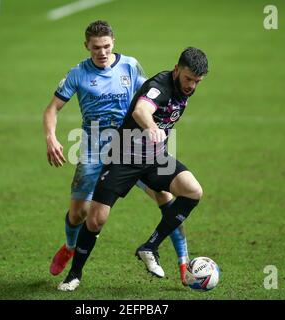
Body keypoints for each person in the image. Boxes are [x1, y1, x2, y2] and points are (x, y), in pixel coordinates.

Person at [43, 21, 190, 286]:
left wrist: (158, 129)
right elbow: (51, 109)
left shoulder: (130, 66)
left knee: (167, 199)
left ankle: (184, 263)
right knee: (79, 214)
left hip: (132, 146)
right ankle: (69, 247)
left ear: (114, 42)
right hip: (93, 148)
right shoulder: (77, 74)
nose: (102, 52)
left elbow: (150, 98)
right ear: (86, 45)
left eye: (107, 46)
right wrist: (51, 137)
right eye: (96, 47)